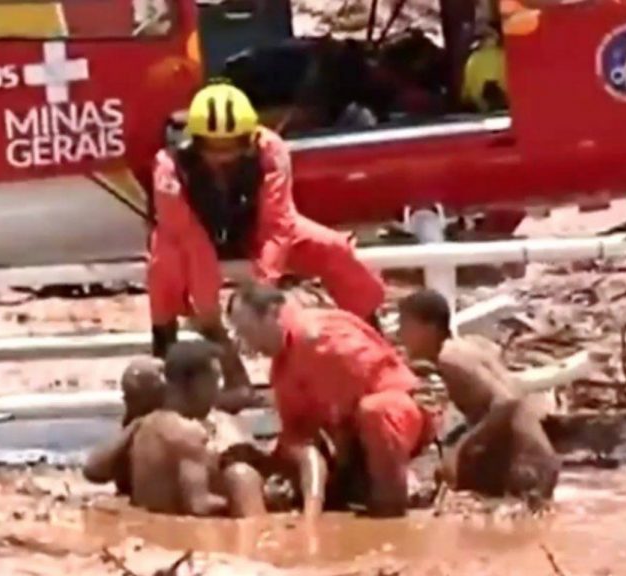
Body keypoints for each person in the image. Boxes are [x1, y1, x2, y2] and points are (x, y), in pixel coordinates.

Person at [147, 82, 386, 408]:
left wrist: (260, 293)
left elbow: (278, 224)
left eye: (232, 147)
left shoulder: (271, 150)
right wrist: (209, 311)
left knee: (335, 249)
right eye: (214, 149)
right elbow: (187, 235)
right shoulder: (169, 166)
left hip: (256, 231)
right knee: (162, 264)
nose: (224, 157)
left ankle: (375, 339)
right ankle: (168, 354)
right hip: (191, 236)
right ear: (196, 142)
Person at [227, 282, 438, 518]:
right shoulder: (281, 369)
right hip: (351, 437)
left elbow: (362, 400)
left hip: (398, 420)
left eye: (247, 331)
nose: (248, 346)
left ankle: (392, 503)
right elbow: (297, 436)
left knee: (374, 411)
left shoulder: (317, 335)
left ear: (272, 313)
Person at [397, 288, 560, 502]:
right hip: (536, 460)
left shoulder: (450, 360)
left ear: (428, 327)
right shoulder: (471, 345)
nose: (400, 334)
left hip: (525, 468)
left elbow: (507, 402)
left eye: (405, 325)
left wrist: (461, 449)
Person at [83, 343, 267, 517]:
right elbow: (198, 506)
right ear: (193, 384)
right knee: (243, 479)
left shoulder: (143, 426)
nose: (219, 388)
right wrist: (241, 500)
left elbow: (93, 470)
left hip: (152, 528)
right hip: (190, 539)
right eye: (215, 379)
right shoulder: (189, 433)